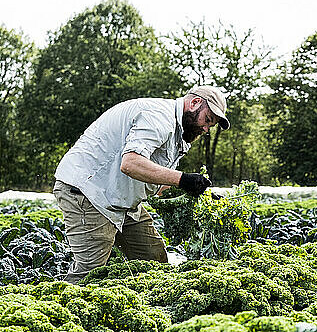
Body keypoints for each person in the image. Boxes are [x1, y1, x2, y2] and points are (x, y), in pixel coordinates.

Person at [53, 86, 230, 283]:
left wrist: (201, 196)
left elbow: (159, 183)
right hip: (89, 193)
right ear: (195, 103)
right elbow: (130, 163)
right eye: (206, 120)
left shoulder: (178, 134)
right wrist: (183, 179)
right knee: (90, 275)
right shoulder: (158, 117)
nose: (205, 129)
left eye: (210, 126)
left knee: (154, 262)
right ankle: (55, 310)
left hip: (121, 200)